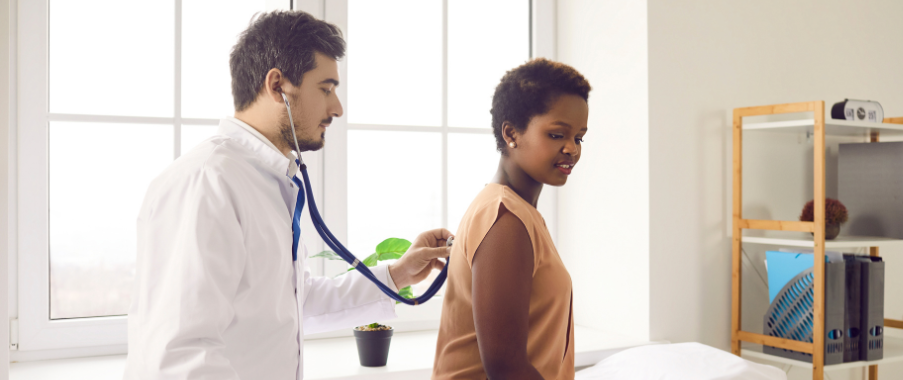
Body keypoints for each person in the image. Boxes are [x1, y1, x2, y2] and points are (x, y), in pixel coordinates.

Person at [124, 11, 451, 380]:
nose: (337, 108)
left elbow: (293, 305)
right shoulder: (207, 182)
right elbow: (178, 357)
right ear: (278, 85)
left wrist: (395, 274)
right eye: (326, 89)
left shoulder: (265, 180)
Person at [432, 58, 591, 380]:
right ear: (511, 133)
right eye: (558, 134)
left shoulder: (519, 213)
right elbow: (506, 370)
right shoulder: (505, 218)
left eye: (580, 137)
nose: (572, 149)